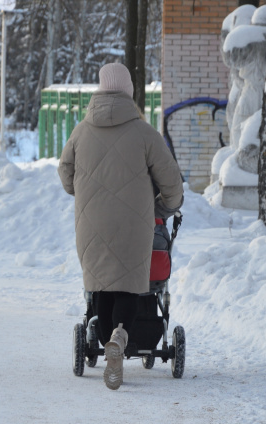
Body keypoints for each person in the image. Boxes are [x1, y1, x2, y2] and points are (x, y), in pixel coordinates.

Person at [58, 63, 183, 390]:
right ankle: (121, 333)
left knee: (101, 285)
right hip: (135, 224)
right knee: (130, 284)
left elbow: (65, 175)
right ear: (129, 93)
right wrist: (164, 207)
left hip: (92, 223)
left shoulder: (81, 130)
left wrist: (84, 192)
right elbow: (172, 183)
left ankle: (105, 334)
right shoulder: (145, 133)